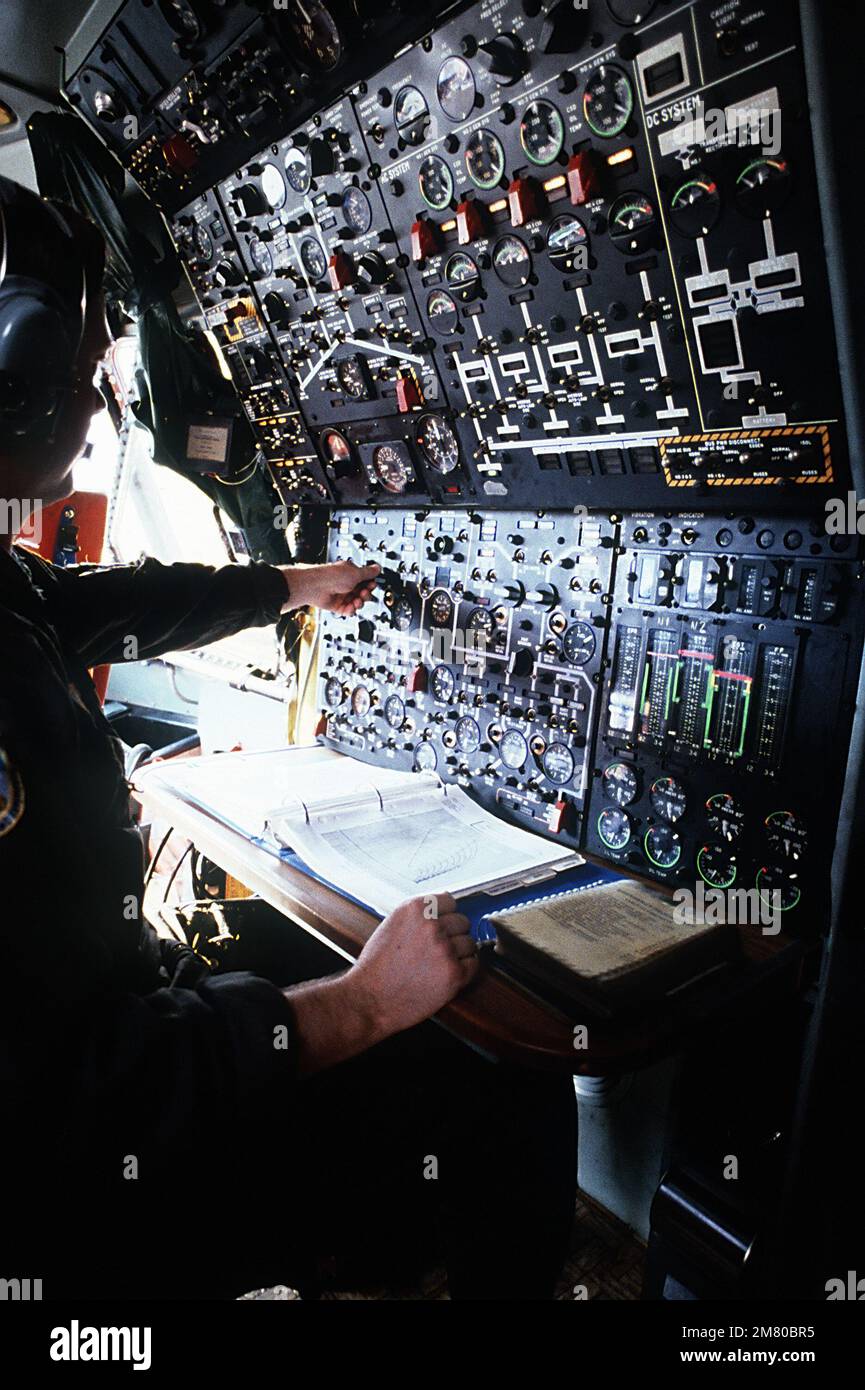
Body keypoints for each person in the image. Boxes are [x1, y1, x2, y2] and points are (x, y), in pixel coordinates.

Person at [0, 176, 576, 1300]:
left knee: (320, 957)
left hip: (120, 1021)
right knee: (499, 1054)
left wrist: (296, 584)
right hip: (84, 1202)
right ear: (15, 379)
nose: (101, 399)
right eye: (86, 375)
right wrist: (368, 1002)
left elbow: (108, 601)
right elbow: (60, 1104)